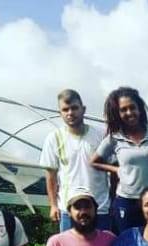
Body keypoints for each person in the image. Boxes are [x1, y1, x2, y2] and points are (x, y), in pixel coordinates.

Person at [91, 87, 148, 234]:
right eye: (123, 110)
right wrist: (115, 169)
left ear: (139, 109)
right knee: (127, 242)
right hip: (126, 201)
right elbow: (94, 162)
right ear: (118, 113)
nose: (129, 113)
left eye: (132, 107)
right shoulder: (114, 138)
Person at [40, 89, 112, 231]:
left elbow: (114, 169)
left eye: (74, 108)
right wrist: (53, 205)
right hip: (69, 210)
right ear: (59, 113)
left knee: (103, 245)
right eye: (65, 109)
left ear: (83, 109)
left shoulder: (102, 134)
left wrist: (113, 201)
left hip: (100, 208)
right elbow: (51, 176)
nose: (70, 113)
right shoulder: (54, 138)